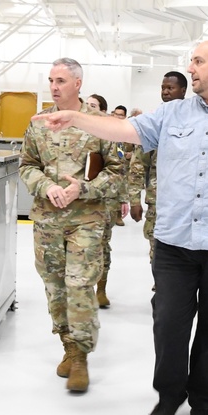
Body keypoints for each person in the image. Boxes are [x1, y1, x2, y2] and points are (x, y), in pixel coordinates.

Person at [33, 41, 208, 415]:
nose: (191, 67)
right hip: (175, 243)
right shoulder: (172, 113)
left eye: (199, 61)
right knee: (168, 324)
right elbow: (124, 130)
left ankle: (204, 403)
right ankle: (169, 397)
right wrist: (75, 118)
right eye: (191, 60)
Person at [18, 59, 122, 393]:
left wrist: (83, 188)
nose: (54, 86)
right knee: (55, 289)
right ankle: (67, 344)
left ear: (78, 83)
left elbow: (116, 171)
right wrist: (46, 186)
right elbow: (27, 165)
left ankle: (80, 356)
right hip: (47, 219)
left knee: (79, 286)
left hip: (86, 220)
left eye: (61, 80)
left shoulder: (101, 124)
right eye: (51, 80)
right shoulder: (38, 124)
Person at [128, 71, 188, 262]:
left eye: (170, 88)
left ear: (183, 90)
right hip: (158, 199)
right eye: (163, 88)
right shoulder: (154, 122)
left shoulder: (195, 120)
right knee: (157, 244)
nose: (165, 92)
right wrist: (135, 200)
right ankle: (161, 284)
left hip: (187, 198)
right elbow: (138, 165)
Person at [86, 93, 128, 306]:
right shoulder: (77, 129)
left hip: (105, 199)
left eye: (94, 105)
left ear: (103, 110)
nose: (89, 108)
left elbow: (119, 168)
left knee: (102, 245)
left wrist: (123, 198)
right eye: (87, 104)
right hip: (80, 199)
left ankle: (100, 289)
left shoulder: (112, 135)